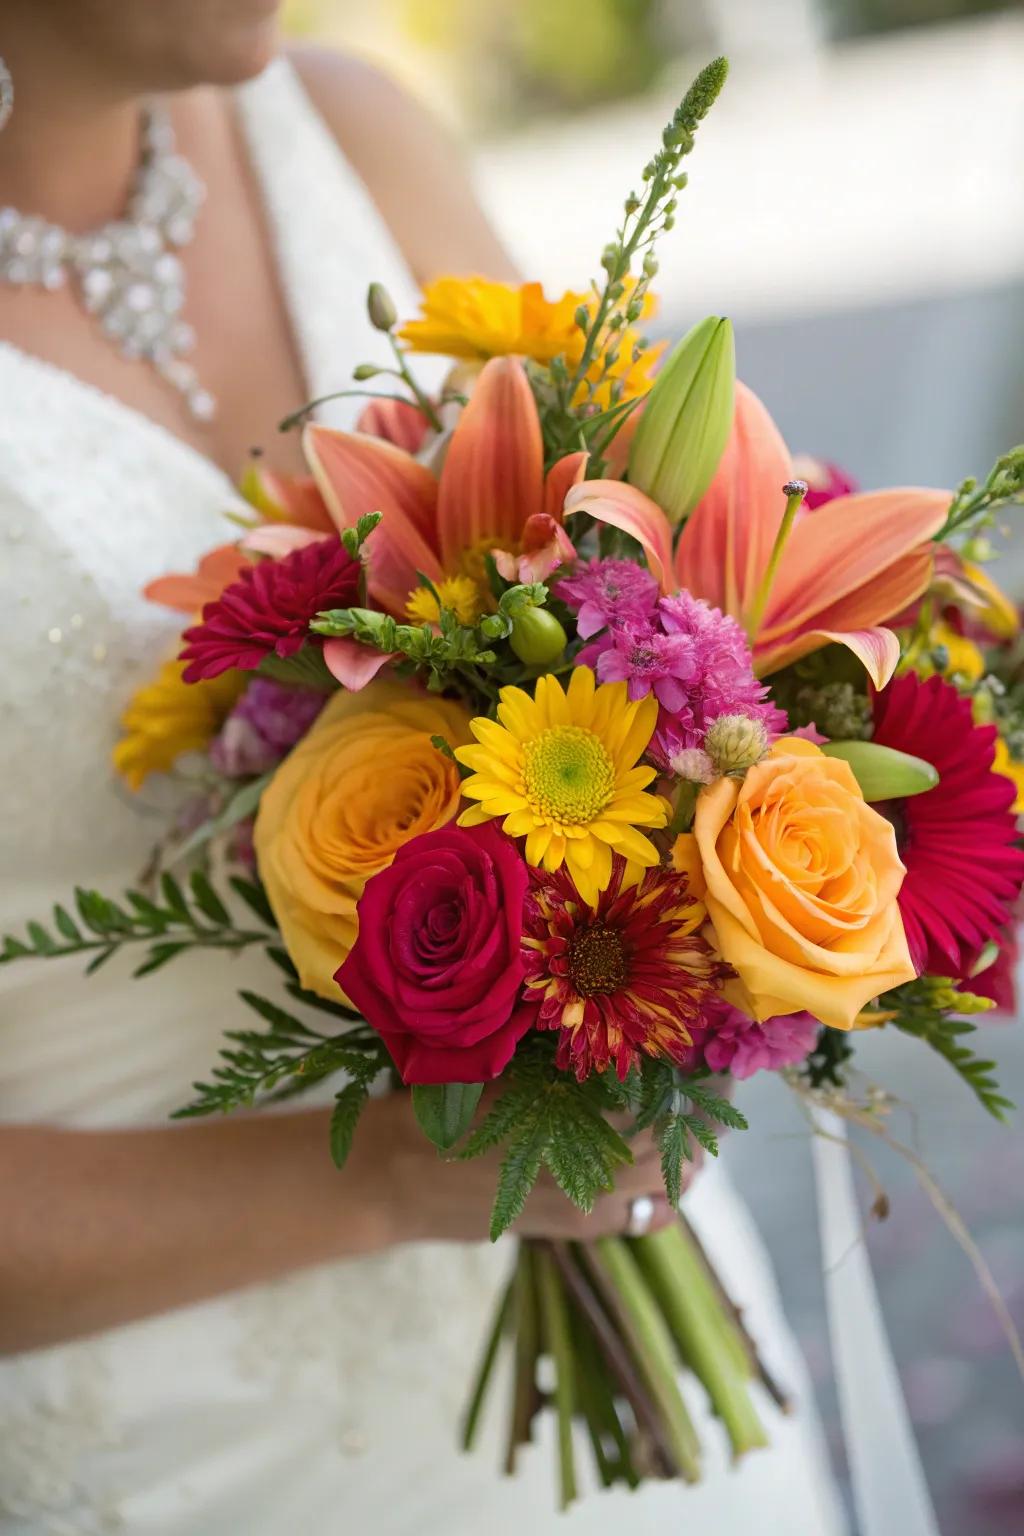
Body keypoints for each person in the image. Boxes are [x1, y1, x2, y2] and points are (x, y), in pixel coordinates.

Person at [0, 4, 846, 1530]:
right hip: (181, 1432)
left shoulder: (352, 134)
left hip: (635, 1318)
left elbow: (650, 569)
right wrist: (390, 1174)